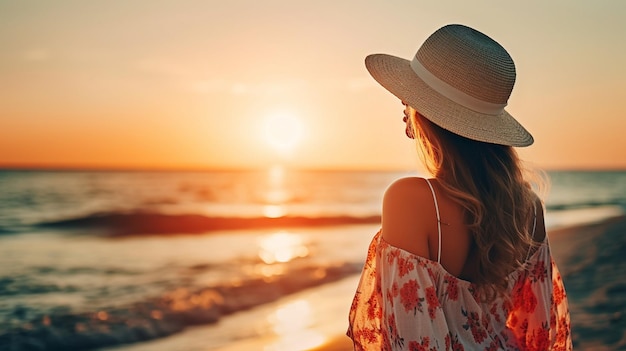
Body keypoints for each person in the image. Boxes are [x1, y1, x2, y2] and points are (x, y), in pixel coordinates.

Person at [347, 24, 572, 350]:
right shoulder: (529, 207)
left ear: (427, 114)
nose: (404, 109)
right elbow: (540, 330)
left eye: (407, 101)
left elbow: (408, 339)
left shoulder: (409, 200)